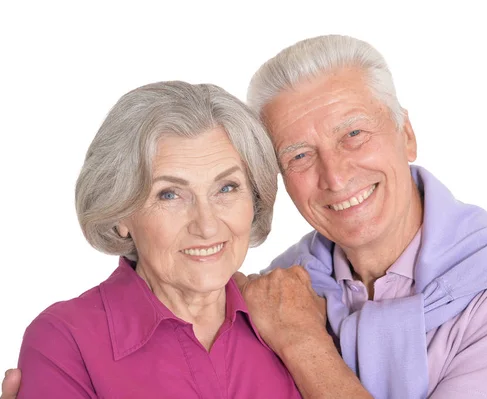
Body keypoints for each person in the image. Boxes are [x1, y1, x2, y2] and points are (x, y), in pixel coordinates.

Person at [2, 35, 487, 399]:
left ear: (406, 133)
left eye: (354, 133)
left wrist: (307, 347)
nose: (335, 175)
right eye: (300, 155)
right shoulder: (278, 293)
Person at [8, 81, 302, 398]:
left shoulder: (293, 317)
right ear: (120, 213)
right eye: (170, 194)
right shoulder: (65, 341)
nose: (206, 225)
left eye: (226, 188)